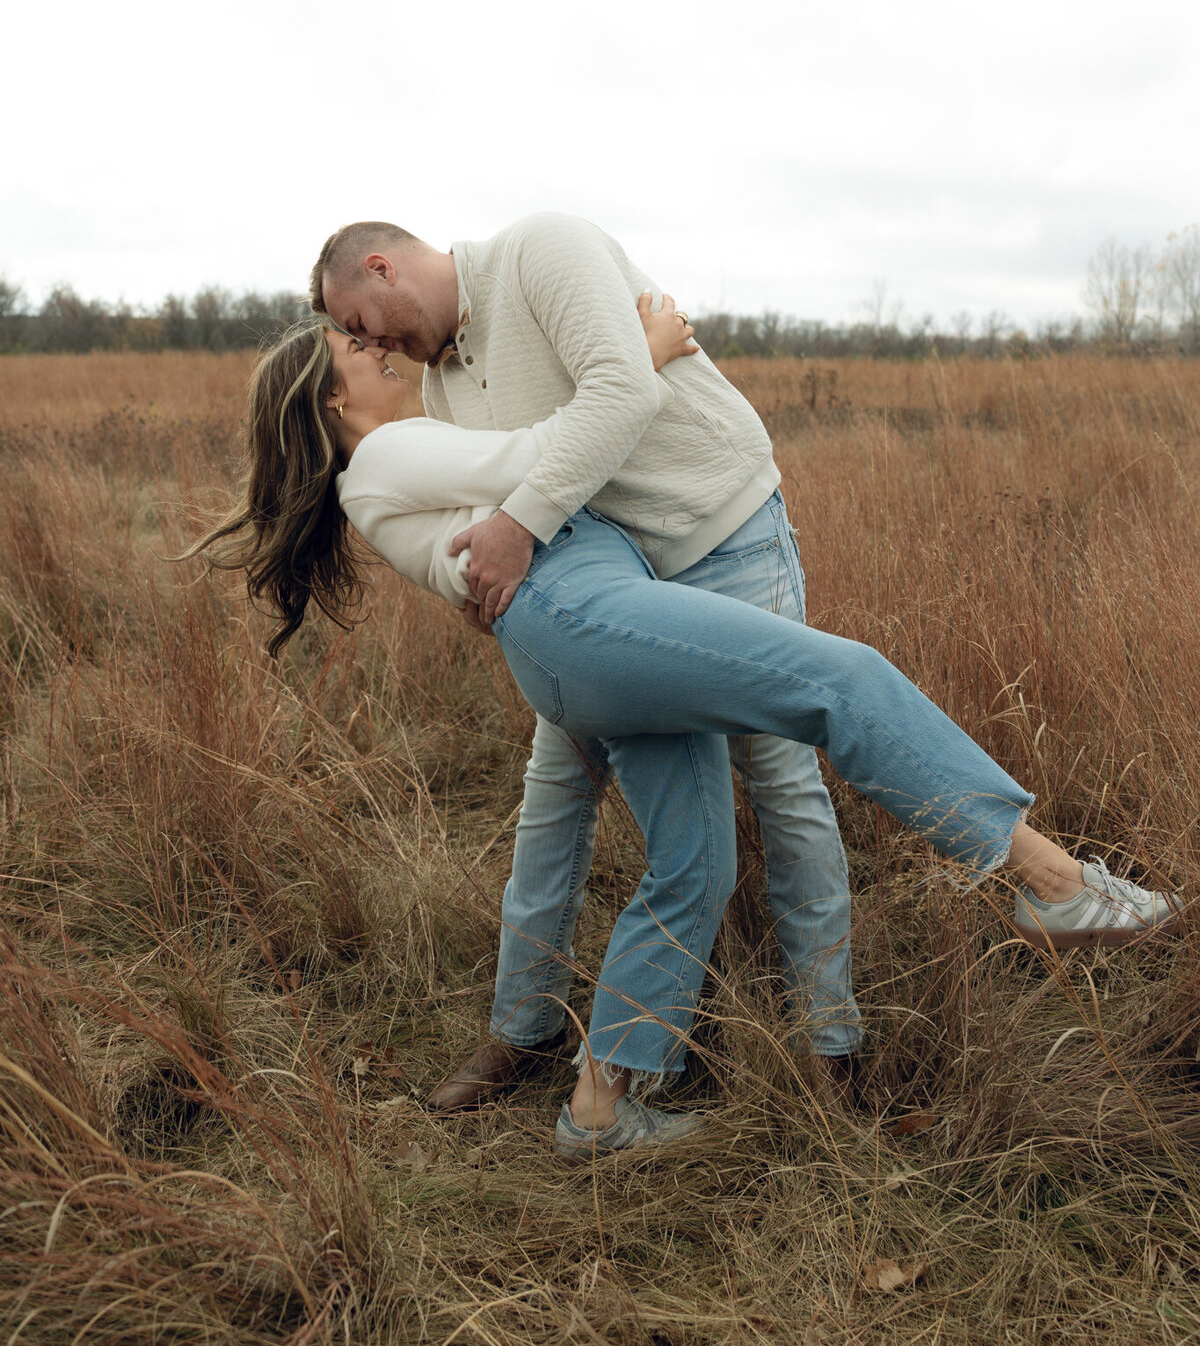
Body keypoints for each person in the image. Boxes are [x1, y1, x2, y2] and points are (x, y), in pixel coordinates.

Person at [191, 315, 1182, 1164]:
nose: (371, 348)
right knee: (844, 676)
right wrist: (644, 350)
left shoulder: (386, 472)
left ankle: (603, 1107)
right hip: (584, 614)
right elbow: (545, 456)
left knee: (693, 860)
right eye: (350, 347)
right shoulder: (392, 454)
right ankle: (1057, 886)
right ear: (329, 399)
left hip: (579, 634)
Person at [312, 213, 864, 1114]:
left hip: (719, 535)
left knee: (778, 771)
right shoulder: (443, 387)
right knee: (555, 790)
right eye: (361, 345)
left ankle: (830, 1045)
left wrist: (513, 534)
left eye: (365, 324)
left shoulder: (543, 251)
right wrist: (484, 577)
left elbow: (616, 401)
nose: (375, 347)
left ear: (382, 267)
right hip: (615, 590)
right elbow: (526, 473)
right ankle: (521, 1032)